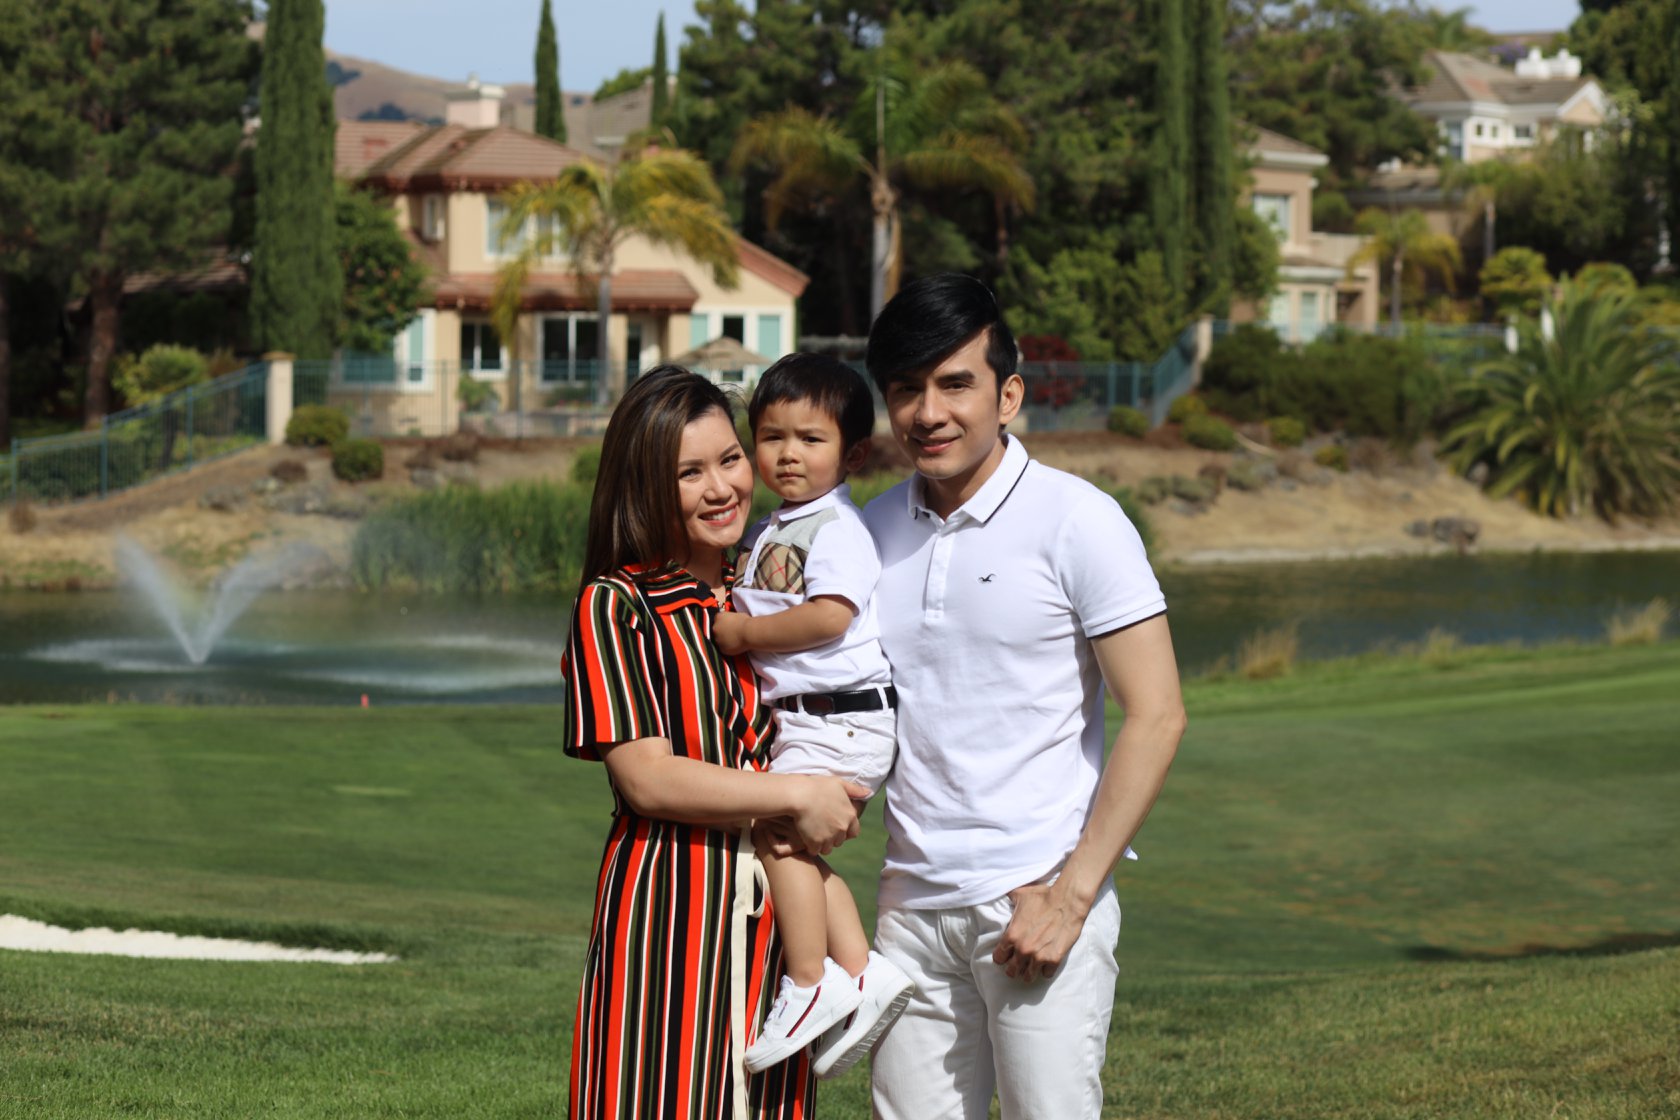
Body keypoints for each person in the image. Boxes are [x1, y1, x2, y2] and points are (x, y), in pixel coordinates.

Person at [859, 275, 1188, 1119]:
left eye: (954, 384)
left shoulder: (1079, 519)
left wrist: (1072, 898)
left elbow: (1157, 714)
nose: (928, 412)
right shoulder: (868, 532)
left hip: (1036, 900)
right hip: (909, 908)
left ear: (1007, 396)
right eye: (906, 389)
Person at [560, 365, 870, 1120]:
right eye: (688, 473)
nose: (721, 487)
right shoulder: (618, 604)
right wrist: (799, 794)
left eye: (730, 459)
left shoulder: (764, 592)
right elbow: (648, 779)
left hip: (777, 912)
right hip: (670, 907)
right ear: (646, 485)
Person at [711, 354, 915, 1080]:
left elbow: (831, 615)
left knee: (779, 837)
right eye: (772, 437)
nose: (788, 454)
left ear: (852, 454)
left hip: (841, 718)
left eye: (810, 439)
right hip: (817, 720)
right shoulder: (777, 526)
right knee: (793, 843)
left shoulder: (836, 529)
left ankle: (808, 983)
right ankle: (862, 970)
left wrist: (743, 634)